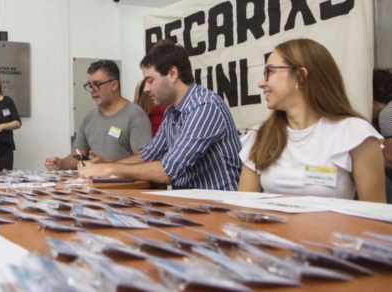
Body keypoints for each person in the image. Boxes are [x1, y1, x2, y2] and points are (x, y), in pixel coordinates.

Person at [78, 41, 242, 190]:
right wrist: (108, 163)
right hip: (189, 205)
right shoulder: (172, 112)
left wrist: (110, 169)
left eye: (150, 80)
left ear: (172, 74)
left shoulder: (205, 107)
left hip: (219, 206)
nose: (147, 88)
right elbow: (147, 156)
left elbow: (168, 171)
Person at [238, 39, 385, 202]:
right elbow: (243, 208)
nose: (261, 83)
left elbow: (375, 217)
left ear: (300, 76)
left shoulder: (354, 134)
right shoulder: (262, 134)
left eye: (270, 72)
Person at [44, 60, 152, 170]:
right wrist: (61, 163)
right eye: (90, 85)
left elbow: (143, 158)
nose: (92, 90)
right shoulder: (88, 118)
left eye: (97, 84)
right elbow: (80, 155)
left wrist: (108, 165)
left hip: (125, 185)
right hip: (94, 184)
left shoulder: (135, 115)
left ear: (114, 85)